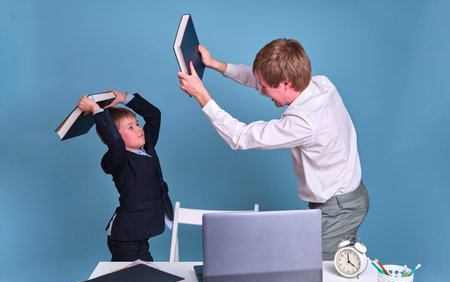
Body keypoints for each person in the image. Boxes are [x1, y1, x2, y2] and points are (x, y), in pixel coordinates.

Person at [177, 38, 369, 260]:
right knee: (320, 270)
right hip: (347, 197)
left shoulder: (305, 122)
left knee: (318, 275)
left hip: (339, 209)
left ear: (286, 83)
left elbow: (239, 137)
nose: (261, 92)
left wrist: (201, 95)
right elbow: (259, 77)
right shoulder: (320, 84)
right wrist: (215, 64)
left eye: (266, 88)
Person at [77, 90, 173, 261]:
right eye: (130, 127)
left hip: (141, 230)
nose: (139, 129)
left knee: (139, 279)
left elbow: (154, 115)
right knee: (131, 281)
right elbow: (114, 142)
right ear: (118, 137)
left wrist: (124, 99)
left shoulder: (147, 147)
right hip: (126, 238)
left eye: (137, 124)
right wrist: (95, 110)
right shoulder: (119, 159)